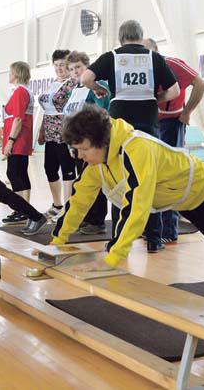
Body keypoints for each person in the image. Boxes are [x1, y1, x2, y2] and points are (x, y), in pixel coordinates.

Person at [51, 105, 204, 269]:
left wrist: (114, 257)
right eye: (77, 150)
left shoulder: (137, 148)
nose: (80, 156)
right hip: (187, 202)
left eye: (84, 149)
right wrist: (58, 242)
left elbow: (137, 207)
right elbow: (78, 201)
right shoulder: (97, 164)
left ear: (103, 142)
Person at [79, 20, 180, 253]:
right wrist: (156, 97)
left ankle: (118, 238)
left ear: (121, 37)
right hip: (148, 121)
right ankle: (154, 239)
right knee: (148, 177)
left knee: (120, 177)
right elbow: (174, 91)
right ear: (141, 35)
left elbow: (85, 78)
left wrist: (98, 89)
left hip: (120, 122)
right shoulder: (154, 58)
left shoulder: (111, 55)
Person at [143, 38, 204, 242]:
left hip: (171, 123)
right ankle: (154, 227)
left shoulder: (173, 64)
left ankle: (169, 229)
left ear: (157, 50)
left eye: (148, 52)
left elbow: (201, 84)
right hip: (150, 124)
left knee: (170, 175)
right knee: (151, 175)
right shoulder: (141, 69)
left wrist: (187, 112)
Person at [64, 50, 111, 236]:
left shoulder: (98, 86)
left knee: (94, 181)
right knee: (82, 181)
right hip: (78, 142)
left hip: (92, 142)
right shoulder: (75, 91)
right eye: (72, 69)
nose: (75, 72)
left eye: (78, 67)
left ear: (87, 67)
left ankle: (97, 220)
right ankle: (87, 216)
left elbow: (103, 114)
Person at [37, 49, 77, 222]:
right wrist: (41, 130)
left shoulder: (72, 83)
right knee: (49, 168)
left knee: (67, 169)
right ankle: (57, 204)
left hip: (64, 132)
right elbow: (46, 109)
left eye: (63, 65)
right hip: (49, 133)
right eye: (57, 65)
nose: (59, 68)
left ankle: (68, 207)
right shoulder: (53, 83)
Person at [0, 61, 35, 224]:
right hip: (21, 138)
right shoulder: (23, 91)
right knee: (20, 173)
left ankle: (21, 208)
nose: (9, 75)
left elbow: (18, 118)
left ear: (16, 73)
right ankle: (25, 208)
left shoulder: (20, 91)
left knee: (14, 173)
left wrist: (10, 141)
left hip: (19, 139)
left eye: (10, 72)